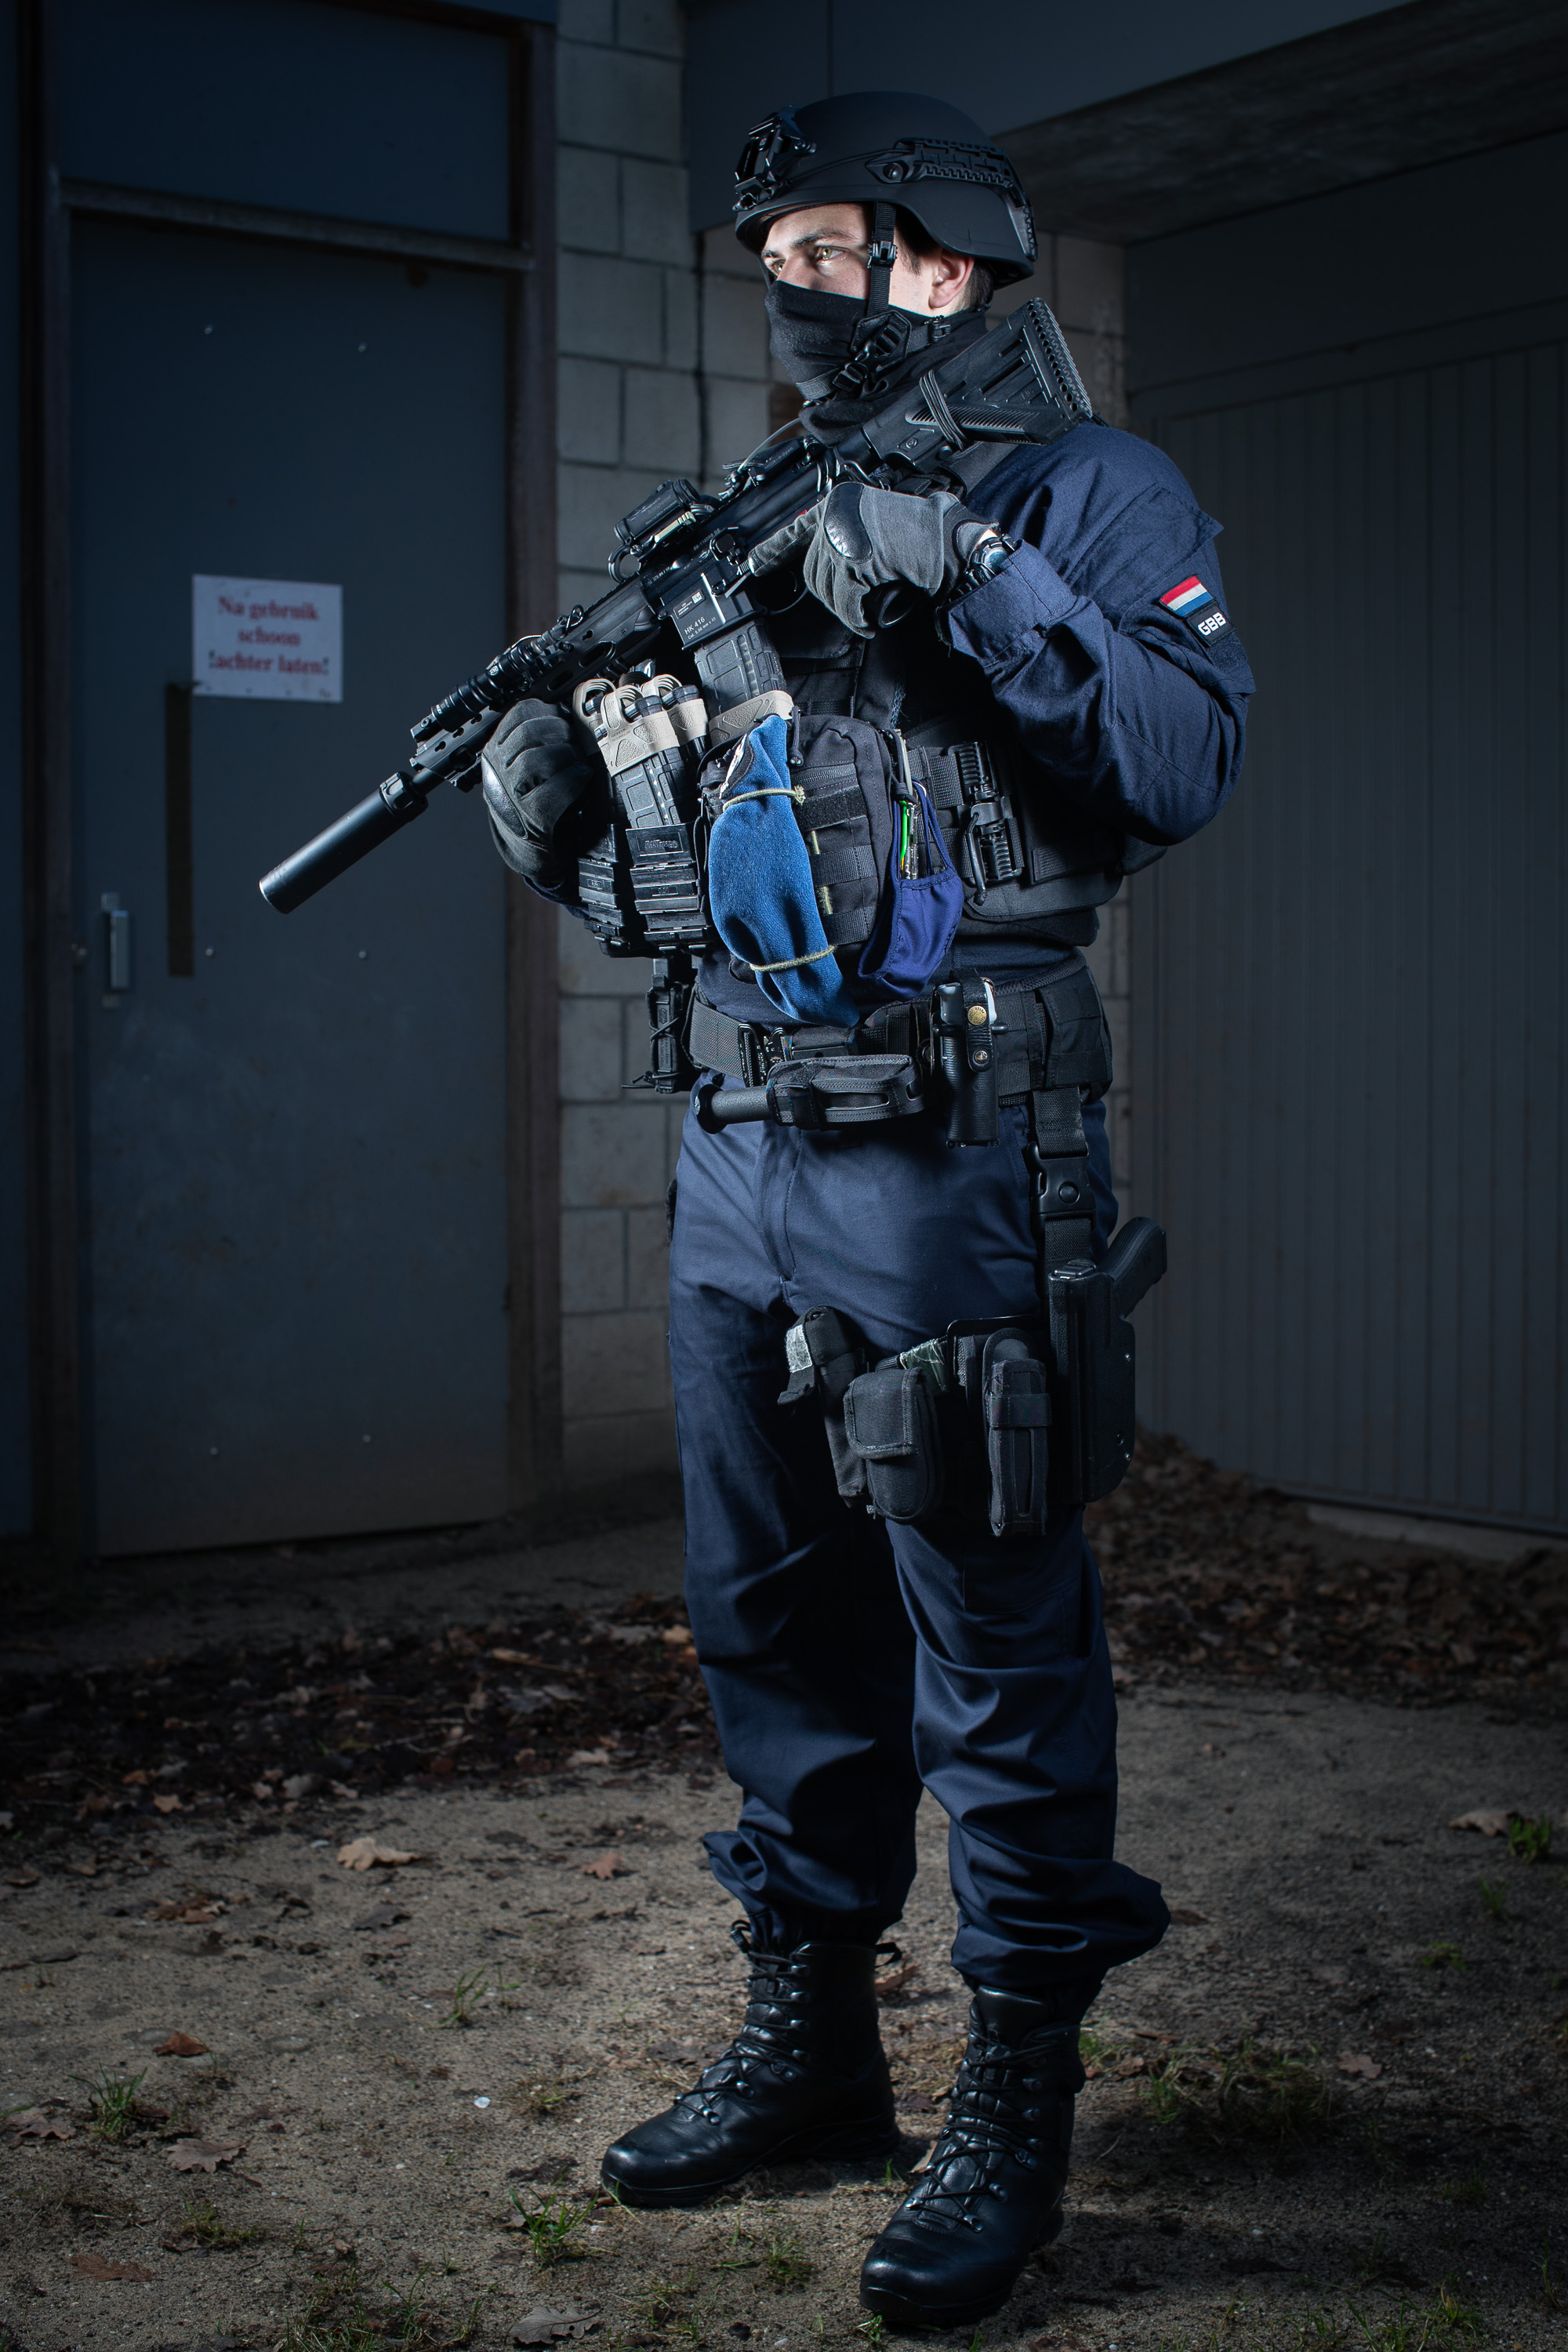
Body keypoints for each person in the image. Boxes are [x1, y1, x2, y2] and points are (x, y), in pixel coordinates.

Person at [481, 91, 1252, 2332]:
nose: (800, 290)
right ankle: (813, 2052)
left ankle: (1015, 2099)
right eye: (778, 258)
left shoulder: (1095, 494)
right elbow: (706, 852)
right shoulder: (737, 514)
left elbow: (1183, 765)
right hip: (738, 1133)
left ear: (948, 257)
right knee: (770, 1615)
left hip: (960, 1142)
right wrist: (566, 815)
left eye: (838, 247)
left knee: (989, 1638)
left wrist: (977, 574)